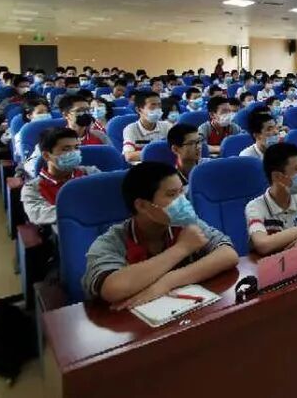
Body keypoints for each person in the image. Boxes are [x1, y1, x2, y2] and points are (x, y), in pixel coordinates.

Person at [82, 162, 238, 305]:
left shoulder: (186, 225)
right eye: (172, 195)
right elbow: (114, 288)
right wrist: (182, 248)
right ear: (142, 205)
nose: (183, 201)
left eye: (182, 192)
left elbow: (228, 254)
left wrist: (168, 281)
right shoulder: (111, 241)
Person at [21, 128, 101, 228]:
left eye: (76, 148)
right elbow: (39, 214)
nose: (74, 153)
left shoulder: (90, 173)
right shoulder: (32, 188)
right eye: (66, 149)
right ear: (46, 155)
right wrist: (83, 209)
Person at [123, 91, 173, 163]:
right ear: (139, 110)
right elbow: (129, 156)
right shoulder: (131, 129)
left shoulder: (167, 126)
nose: (157, 109)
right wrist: (158, 153)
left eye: (159, 105)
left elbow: (177, 149)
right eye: (152, 106)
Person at [167, 124, 211, 192]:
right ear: (175, 149)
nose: (198, 147)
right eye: (191, 143)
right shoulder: (170, 180)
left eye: (199, 141)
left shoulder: (209, 166)